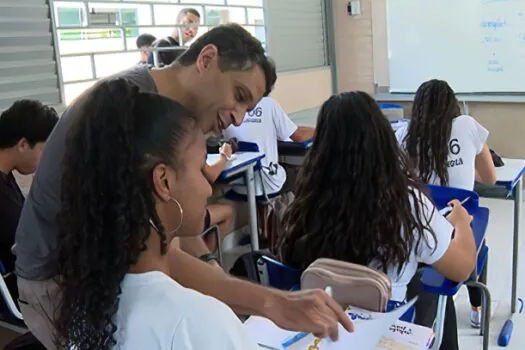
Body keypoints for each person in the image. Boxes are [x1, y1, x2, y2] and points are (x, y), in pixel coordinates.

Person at [14, 23, 352, 349]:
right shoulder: (129, 111)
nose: (238, 118)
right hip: (58, 282)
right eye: (239, 96)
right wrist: (269, 302)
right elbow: (164, 247)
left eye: (248, 109)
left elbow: (169, 219)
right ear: (206, 59)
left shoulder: (161, 118)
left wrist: (214, 275)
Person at [54, 78, 259, 349]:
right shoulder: (198, 322)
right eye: (200, 168)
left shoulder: (87, 307)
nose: (208, 188)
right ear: (163, 181)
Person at [277, 91, 476, 349]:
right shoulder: (406, 203)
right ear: (382, 138)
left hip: (322, 328)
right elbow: (461, 268)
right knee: (430, 284)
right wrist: (460, 223)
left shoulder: (305, 198)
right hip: (384, 331)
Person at [396, 79, 497, 328]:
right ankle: (477, 308)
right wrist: (463, 171)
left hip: (417, 229)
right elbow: (490, 178)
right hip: (458, 225)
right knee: (478, 244)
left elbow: (397, 183)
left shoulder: (403, 134)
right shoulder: (467, 125)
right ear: (452, 104)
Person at [0, 100, 58, 305]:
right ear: (23, 144)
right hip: (23, 289)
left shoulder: (6, 175)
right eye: (44, 150)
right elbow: (27, 244)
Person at [223, 96, 315, 196]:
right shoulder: (268, 104)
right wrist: (324, 129)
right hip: (268, 184)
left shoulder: (225, 108)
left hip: (238, 185)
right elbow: (298, 136)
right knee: (304, 174)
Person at [202, 142, 234, 253]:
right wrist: (224, 155)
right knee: (228, 211)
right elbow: (211, 174)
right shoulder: (189, 144)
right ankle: (207, 258)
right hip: (185, 213)